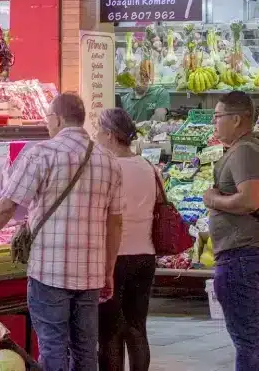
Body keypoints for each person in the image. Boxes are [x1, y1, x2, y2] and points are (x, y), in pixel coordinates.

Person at [0, 93, 123, 371]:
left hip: (49, 274)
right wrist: (108, 269)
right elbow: (115, 222)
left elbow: (8, 204)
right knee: (86, 349)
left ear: (58, 119)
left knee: (52, 347)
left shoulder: (42, 153)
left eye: (48, 119)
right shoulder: (109, 161)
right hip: (90, 274)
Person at [202, 91, 259, 371]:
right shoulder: (251, 147)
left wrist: (213, 200)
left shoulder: (245, 150)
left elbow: (250, 199)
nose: (215, 122)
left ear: (236, 119)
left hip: (242, 254)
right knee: (258, 332)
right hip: (254, 251)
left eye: (218, 116)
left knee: (248, 338)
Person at [96, 108, 156, 371]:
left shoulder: (109, 168)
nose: (96, 137)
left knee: (109, 331)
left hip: (114, 256)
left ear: (109, 135)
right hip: (145, 255)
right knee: (137, 328)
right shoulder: (148, 166)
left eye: (99, 131)